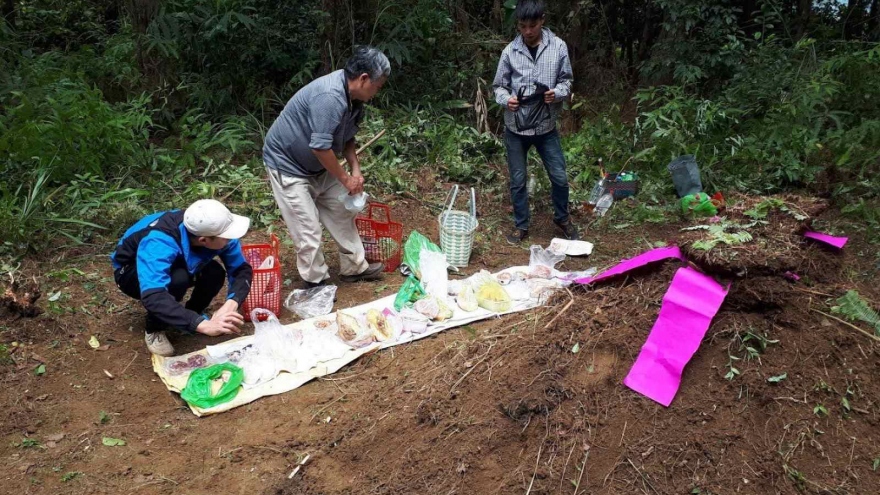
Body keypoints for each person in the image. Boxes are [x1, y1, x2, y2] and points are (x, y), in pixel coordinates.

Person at [264, 46, 390, 289]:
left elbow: (347, 138)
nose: (377, 91)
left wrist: (355, 169)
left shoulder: (355, 100)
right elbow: (320, 148)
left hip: (319, 165)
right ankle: (316, 281)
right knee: (307, 228)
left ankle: (354, 267)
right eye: (378, 86)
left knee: (342, 211)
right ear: (364, 79)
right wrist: (344, 179)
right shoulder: (330, 97)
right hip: (288, 164)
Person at [111, 199, 254, 357]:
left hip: (177, 259)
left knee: (214, 272)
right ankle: (154, 329)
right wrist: (203, 326)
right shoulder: (159, 242)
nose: (231, 239)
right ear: (204, 240)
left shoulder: (209, 228)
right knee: (178, 279)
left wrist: (231, 304)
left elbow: (241, 270)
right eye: (226, 237)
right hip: (130, 271)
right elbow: (154, 295)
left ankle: (192, 313)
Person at [492, 0, 579, 244]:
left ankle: (562, 218)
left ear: (542, 20)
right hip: (516, 128)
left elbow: (567, 81)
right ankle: (521, 226)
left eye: (532, 25)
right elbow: (499, 85)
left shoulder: (558, 47)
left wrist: (557, 93)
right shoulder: (510, 51)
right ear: (518, 24)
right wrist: (506, 99)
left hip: (545, 127)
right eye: (522, 26)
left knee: (560, 177)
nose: (528, 31)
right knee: (518, 181)